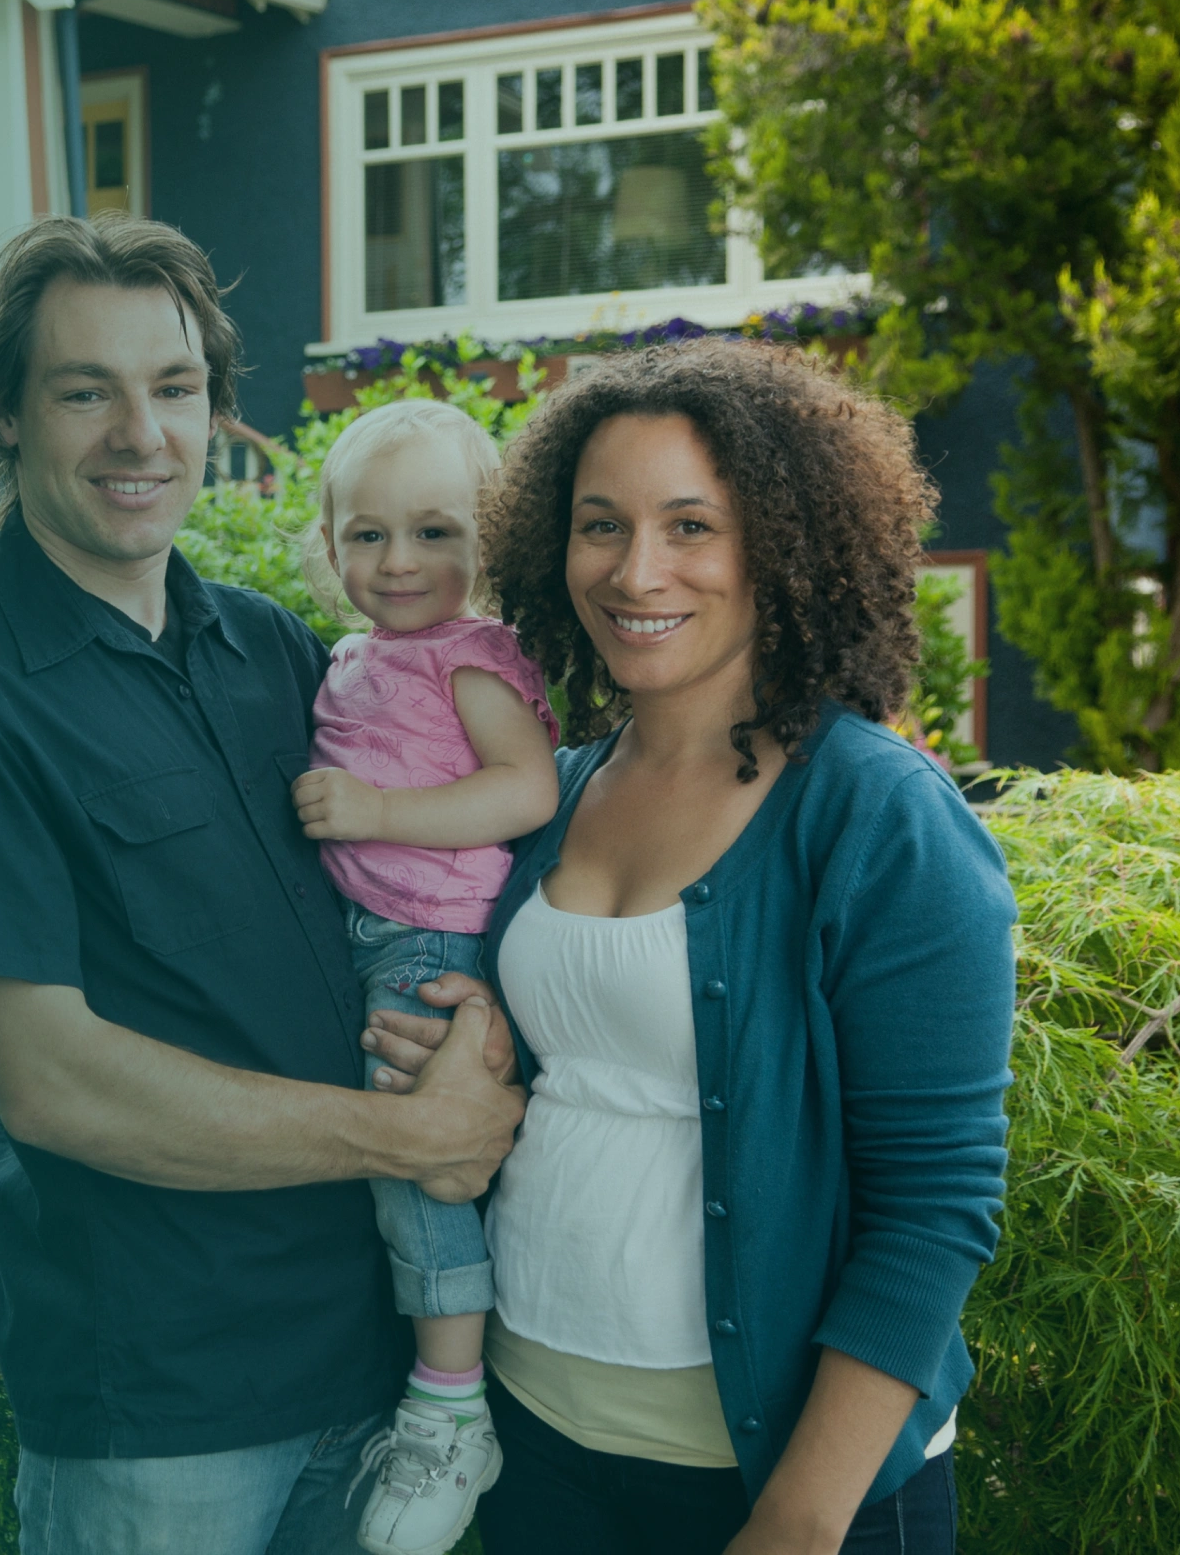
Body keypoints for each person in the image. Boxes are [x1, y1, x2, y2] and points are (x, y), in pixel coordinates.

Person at [0, 211, 526, 1555]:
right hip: (167, 1412)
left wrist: (479, 1019)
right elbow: (53, 1082)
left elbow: (425, 884)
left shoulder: (277, 654)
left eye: (171, 389)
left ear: (214, 412)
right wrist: (409, 1138)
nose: (137, 435)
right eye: (82, 390)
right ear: (1, 413)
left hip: (381, 1368)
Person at [364, 338, 1016, 1555]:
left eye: (691, 526)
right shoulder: (544, 794)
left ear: (782, 540)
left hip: (777, 1486)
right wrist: (463, 1070)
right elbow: (558, 1074)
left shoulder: (875, 816)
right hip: (537, 1446)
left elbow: (933, 1207)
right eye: (599, 524)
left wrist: (798, 1522)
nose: (636, 569)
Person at [285, 399, 561, 1554]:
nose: (398, 563)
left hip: (431, 943)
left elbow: (525, 790)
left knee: (417, 1170)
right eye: (367, 535)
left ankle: (451, 1407)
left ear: (487, 542)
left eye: (436, 533)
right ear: (331, 537)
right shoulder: (357, 652)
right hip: (374, 935)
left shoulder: (472, 657)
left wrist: (380, 810)